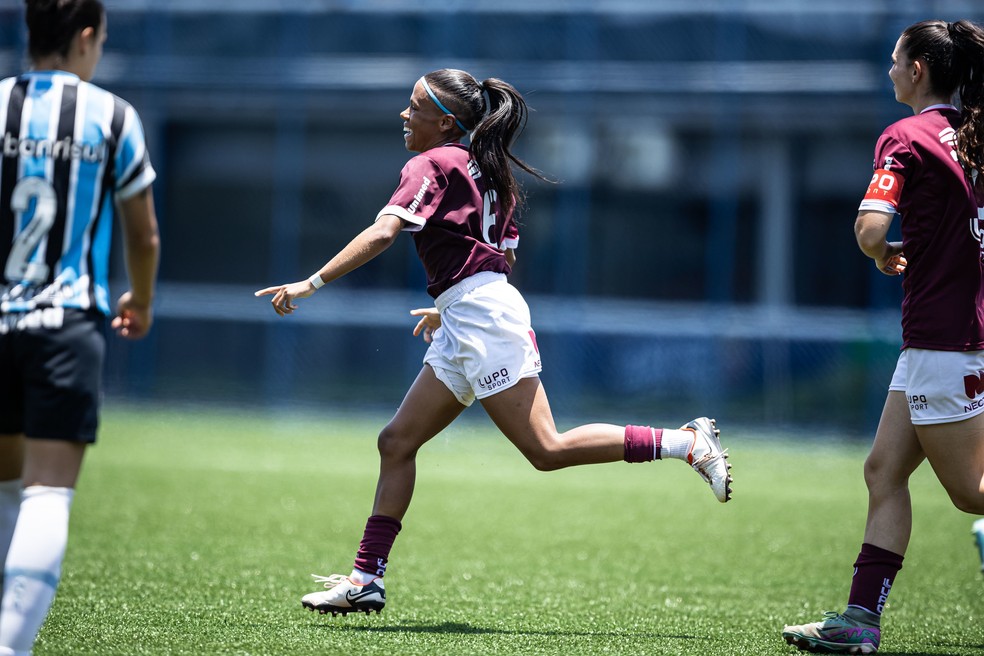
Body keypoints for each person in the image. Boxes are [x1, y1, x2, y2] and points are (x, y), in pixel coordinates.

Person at [255, 68, 733, 617]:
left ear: (446, 121)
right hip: (473, 313)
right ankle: (365, 579)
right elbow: (500, 259)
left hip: (482, 317)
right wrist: (450, 306)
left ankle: (686, 443)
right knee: (397, 442)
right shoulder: (489, 171)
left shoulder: (430, 162)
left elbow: (385, 231)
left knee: (546, 450)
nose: (405, 115)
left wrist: (309, 283)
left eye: (415, 107)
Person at [782, 19, 984, 655]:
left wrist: (879, 251)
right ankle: (860, 622)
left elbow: (871, 229)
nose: (890, 70)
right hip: (952, 336)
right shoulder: (974, 137)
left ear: (919, 69)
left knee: (970, 495)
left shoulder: (906, 136)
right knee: (883, 470)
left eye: (895, 61)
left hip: (942, 342)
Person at [0, 1, 161, 653]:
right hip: (67, 322)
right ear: (88, 37)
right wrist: (142, 299)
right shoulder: (111, 115)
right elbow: (143, 233)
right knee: (47, 492)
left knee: (8, 484)